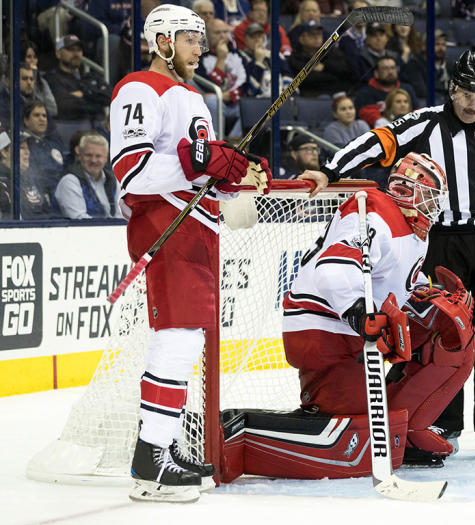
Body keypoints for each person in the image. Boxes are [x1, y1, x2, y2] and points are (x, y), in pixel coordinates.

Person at [315, 51, 475, 458]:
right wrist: (330, 169)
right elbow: (378, 142)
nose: (474, 104)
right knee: (446, 333)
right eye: (467, 93)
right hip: (440, 240)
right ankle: (446, 418)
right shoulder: (424, 122)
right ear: (452, 87)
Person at [110, 4, 272, 503]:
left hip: (198, 227)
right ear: (161, 42)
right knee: (176, 339)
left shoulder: (194, 97)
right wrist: (201, 161)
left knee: (185, 341)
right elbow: (132, 173)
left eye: (202, 39)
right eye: (189, 38)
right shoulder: (139, 87)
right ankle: (150, 456)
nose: (201, 48)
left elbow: (198, 173)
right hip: (166, 225)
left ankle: (165, 444)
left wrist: (234, 178)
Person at [277, 152, 475, 470]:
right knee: (353, 440)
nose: (434, 205)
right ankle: (359, 422)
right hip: (326, 328)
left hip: (356, 327)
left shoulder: (412, 230)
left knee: (455, 334)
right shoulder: (375, 211)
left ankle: (406, 430)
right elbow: (332, 270)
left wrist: (432, 303)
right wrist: (359, 312)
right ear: (408, 191)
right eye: (430, 196)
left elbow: (395, 288)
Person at [196, 18, 248, 137]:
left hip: (234, 103)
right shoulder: (199, 57)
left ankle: (233, 143)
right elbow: (207, 86)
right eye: (217, 33)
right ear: (207, 35)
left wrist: (229, 95)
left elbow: (246, 84)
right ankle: (215, 142)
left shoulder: (237, 55)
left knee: (252, 105)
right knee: (213, 101)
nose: (222, 36)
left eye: (225, 32)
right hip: (210, 104)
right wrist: (221, 59)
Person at [44, 35, 112, 121]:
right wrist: (96, 96)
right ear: (58, 53)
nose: (76, 54)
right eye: (71, 49)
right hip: (69, 129)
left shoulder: (91, 76)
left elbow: (111, 96)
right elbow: (64, 105)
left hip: (98, 129)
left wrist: (84, 94)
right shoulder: (51, 79)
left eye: (79, 50)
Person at [54, 134, 118, 219]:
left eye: (98, 156)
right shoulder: (69, 181)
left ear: (106, 158)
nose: (93, 160)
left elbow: (122, 217)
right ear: (80, 156)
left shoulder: (115, 181)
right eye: (88, 155)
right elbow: (80, 220)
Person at [0, 130, 58, 219]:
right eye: (22, 147)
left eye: (28, 148)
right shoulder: (2, 185)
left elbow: (48, 214)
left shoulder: (31, 179)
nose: (27, 152)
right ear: (4, 152)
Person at [288, 20, 355, 97]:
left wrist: (325, 67)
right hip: (311, 97)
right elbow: (307, 80)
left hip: (338, 93)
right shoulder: (295, 58)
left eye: (319, 34)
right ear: (301, 39)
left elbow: (347, 71)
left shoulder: (332, 52)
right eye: (311, 34)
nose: (316, 37)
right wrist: (331, 73)